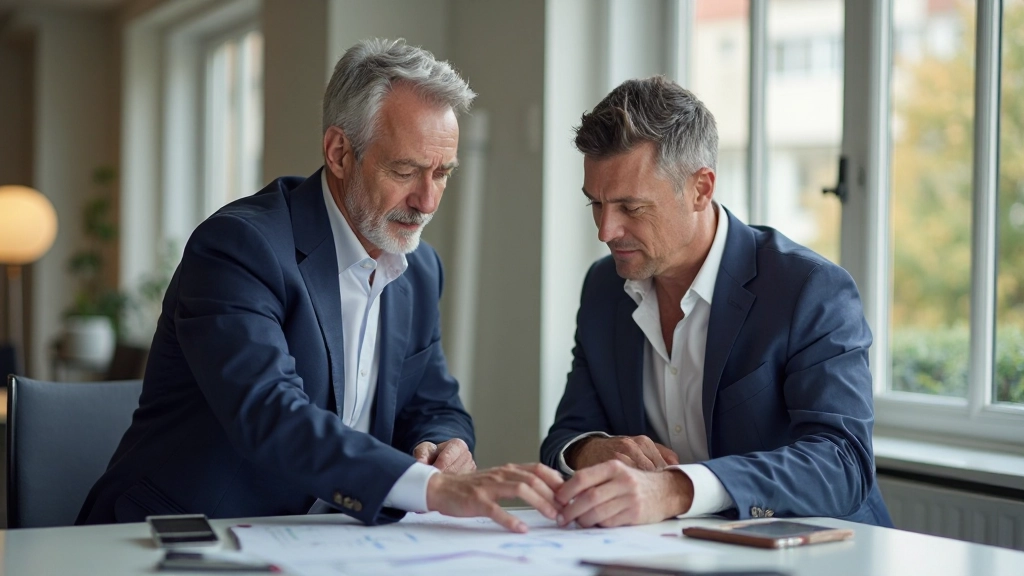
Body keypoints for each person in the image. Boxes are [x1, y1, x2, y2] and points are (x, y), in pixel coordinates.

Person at [78, 39, 561, 534]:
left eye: (443, 173)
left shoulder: (418, 269)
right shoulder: (239, 247)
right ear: (338, 152)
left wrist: (444, 447)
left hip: (329, 540)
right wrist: (433, 489)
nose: (427, 200)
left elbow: (434, 405)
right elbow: (271, 415)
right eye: (406, 170)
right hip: (183, 533)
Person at [540, 76, 892, 529]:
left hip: (823, 553)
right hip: (667, 552)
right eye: (596, 204)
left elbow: (843, 465)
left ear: (701, 189)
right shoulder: (603, 288)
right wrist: (592, 449)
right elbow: (565, 437)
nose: (605, 231)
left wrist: (677, 488)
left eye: (631, 207)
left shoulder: (809, 289)